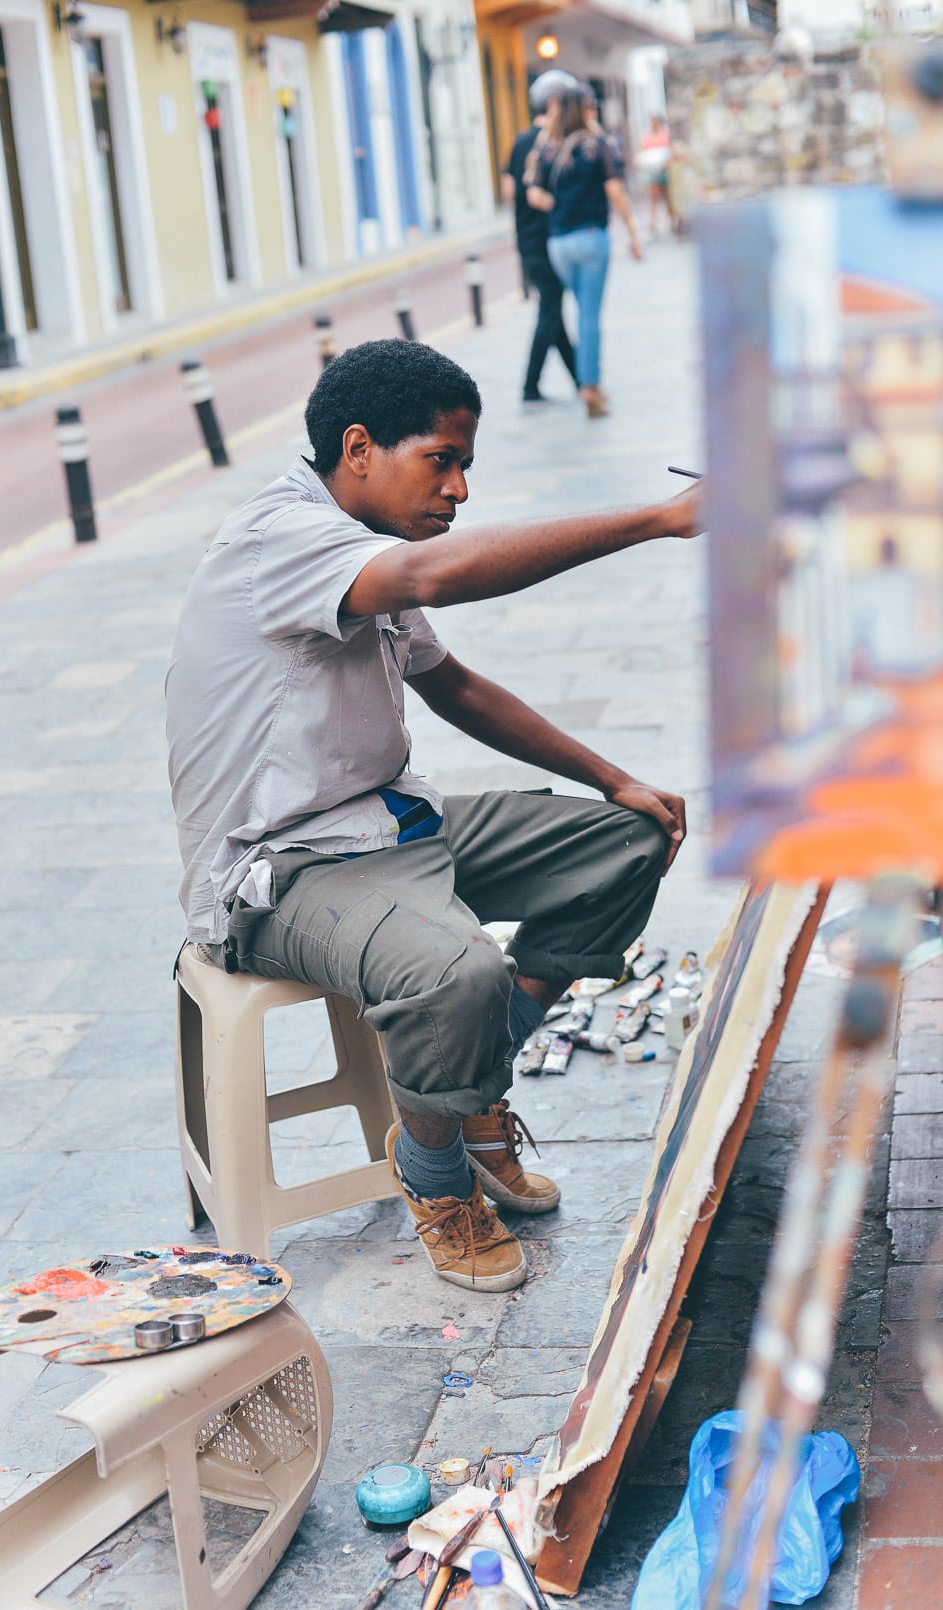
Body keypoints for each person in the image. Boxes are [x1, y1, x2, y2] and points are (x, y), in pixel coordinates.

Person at [165, 339, 702, 1294]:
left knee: (628, 843)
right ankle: (437, 1174)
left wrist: (614, 778)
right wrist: (659, 519)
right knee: (460, 969)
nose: (456, 491)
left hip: (389, 825)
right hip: (279, 872)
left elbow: (452, 683)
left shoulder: (361, 540)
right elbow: (436, 575)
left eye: (465, 467)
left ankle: (471, 1083)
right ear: (360, 447)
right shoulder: (279, 541)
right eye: (440, 462)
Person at [526, 86, 642, 420]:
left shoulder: (545, 147)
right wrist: (633, 231)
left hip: (558, 244)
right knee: (589, 315)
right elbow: (615, 190)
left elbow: (534, 194)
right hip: (591, 239)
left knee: (581, 309)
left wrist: (558, 204)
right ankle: (590, 386)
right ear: (587, 109)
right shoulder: (600, 144)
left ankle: (588, 381)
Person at [501, 68, 578, 404]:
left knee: (553, 309)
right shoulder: (552, 142)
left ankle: (579, 378)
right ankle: (529, 385)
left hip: (527, 237)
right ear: (553, 102)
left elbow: (507, 189)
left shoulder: (519, 141)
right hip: (548, 237)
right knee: (550, 308)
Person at [636, 114, 676, 235]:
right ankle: (653, 222)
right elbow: (641, 151)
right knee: (654, 197)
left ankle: (672, 220)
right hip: (653, 171)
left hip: (665, 169)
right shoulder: (647, 136)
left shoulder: (665, 134)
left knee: (668, 197)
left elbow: (671, 150)